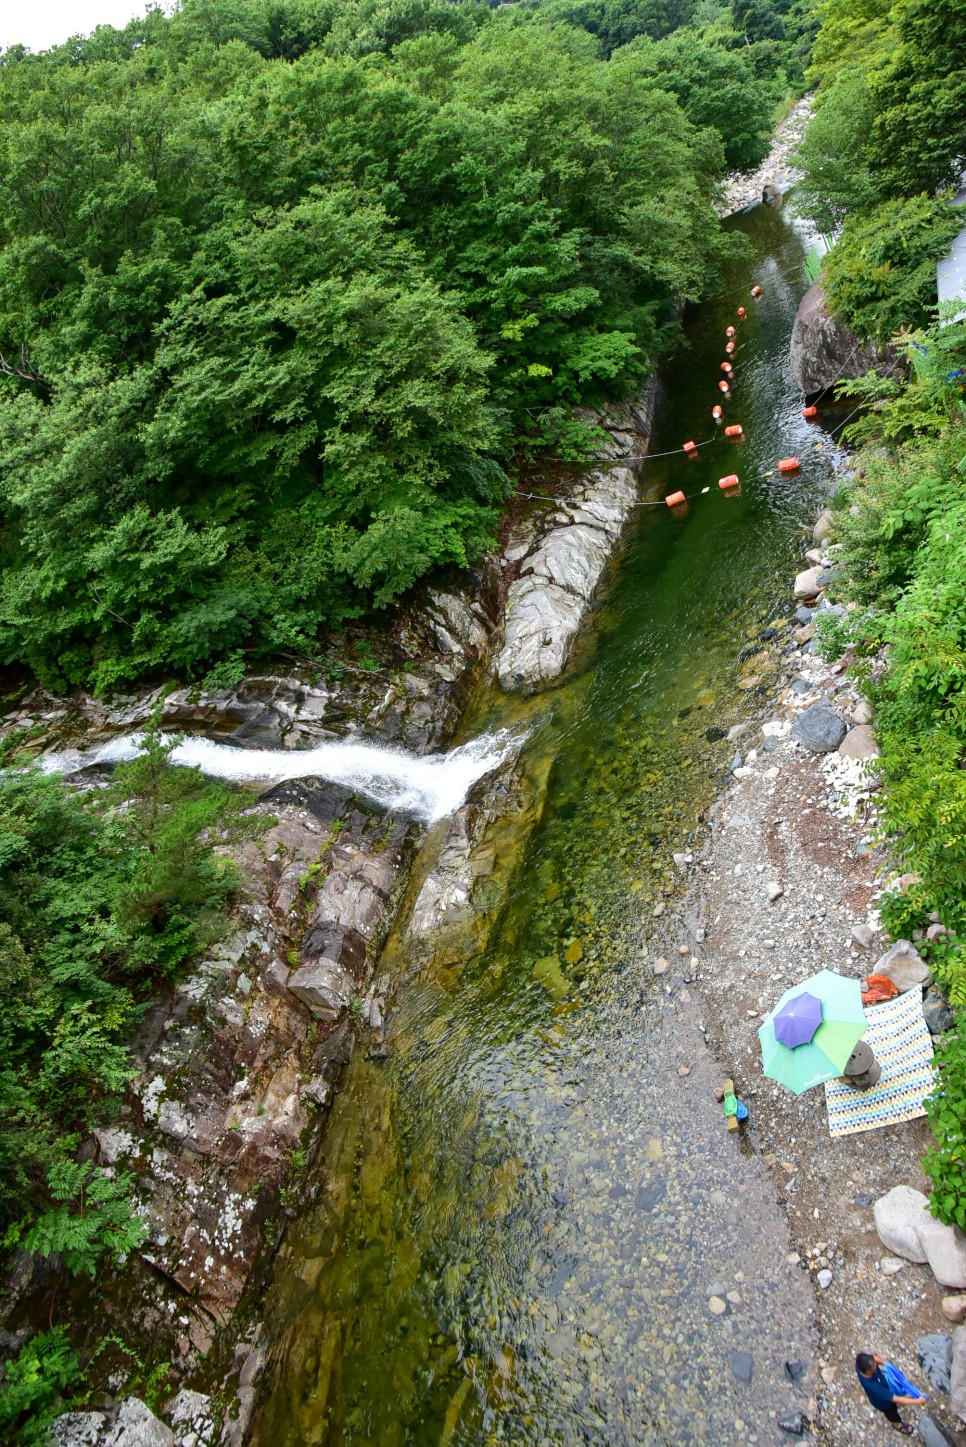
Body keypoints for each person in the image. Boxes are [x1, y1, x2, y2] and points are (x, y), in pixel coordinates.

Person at [855, 1351, 928, 1434]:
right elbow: (896, 1399)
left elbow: (873, 1357)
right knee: (891, 1413)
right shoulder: (874, 1388)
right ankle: (897, 1425)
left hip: (883, 1384)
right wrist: (919, 1401)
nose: (876, 1364)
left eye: (874, 1363)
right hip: (883, 1403)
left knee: (895, 1394)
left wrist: (885, 1363)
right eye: (874, 1365)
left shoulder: (860, 1364)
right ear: (868, 1372)